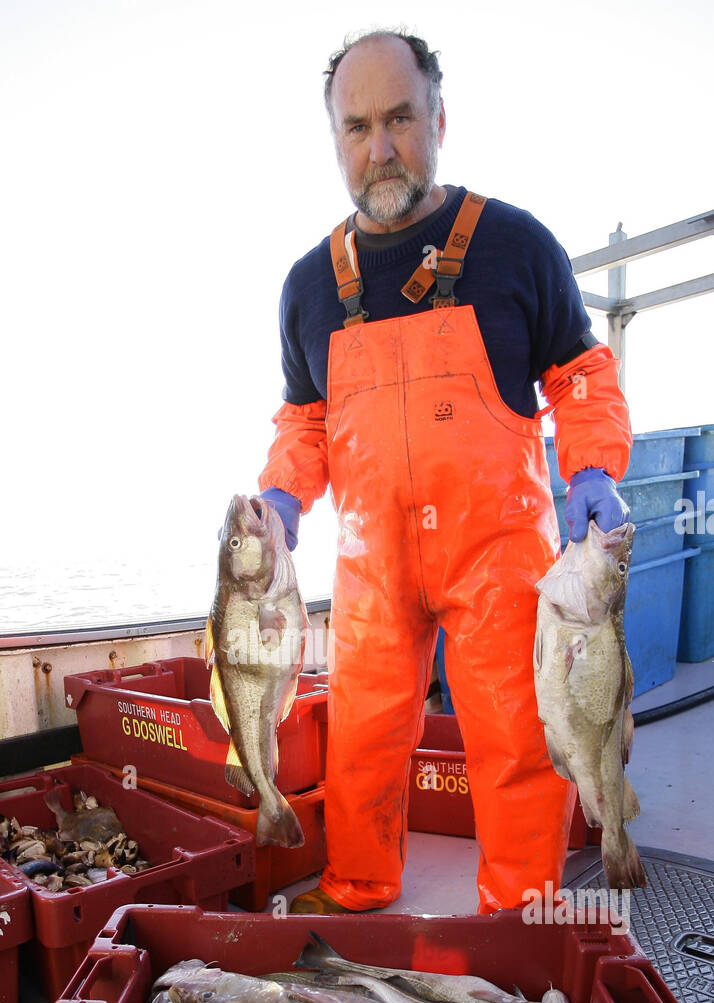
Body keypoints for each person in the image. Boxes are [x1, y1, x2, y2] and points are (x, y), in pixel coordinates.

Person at [257, 29, 632, 915]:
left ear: (439, 120)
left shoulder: (515, 245)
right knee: (360, 738)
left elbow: (580, 377)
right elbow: (305, 420)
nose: (379, 148)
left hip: (498, 556)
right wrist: (280, 491)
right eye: (356, 128)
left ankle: (522, 917)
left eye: (399, 119)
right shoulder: (311, 285)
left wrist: (591, 469)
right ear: (336, 140)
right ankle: (354, 888)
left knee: (517, 741)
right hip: (372, 570)